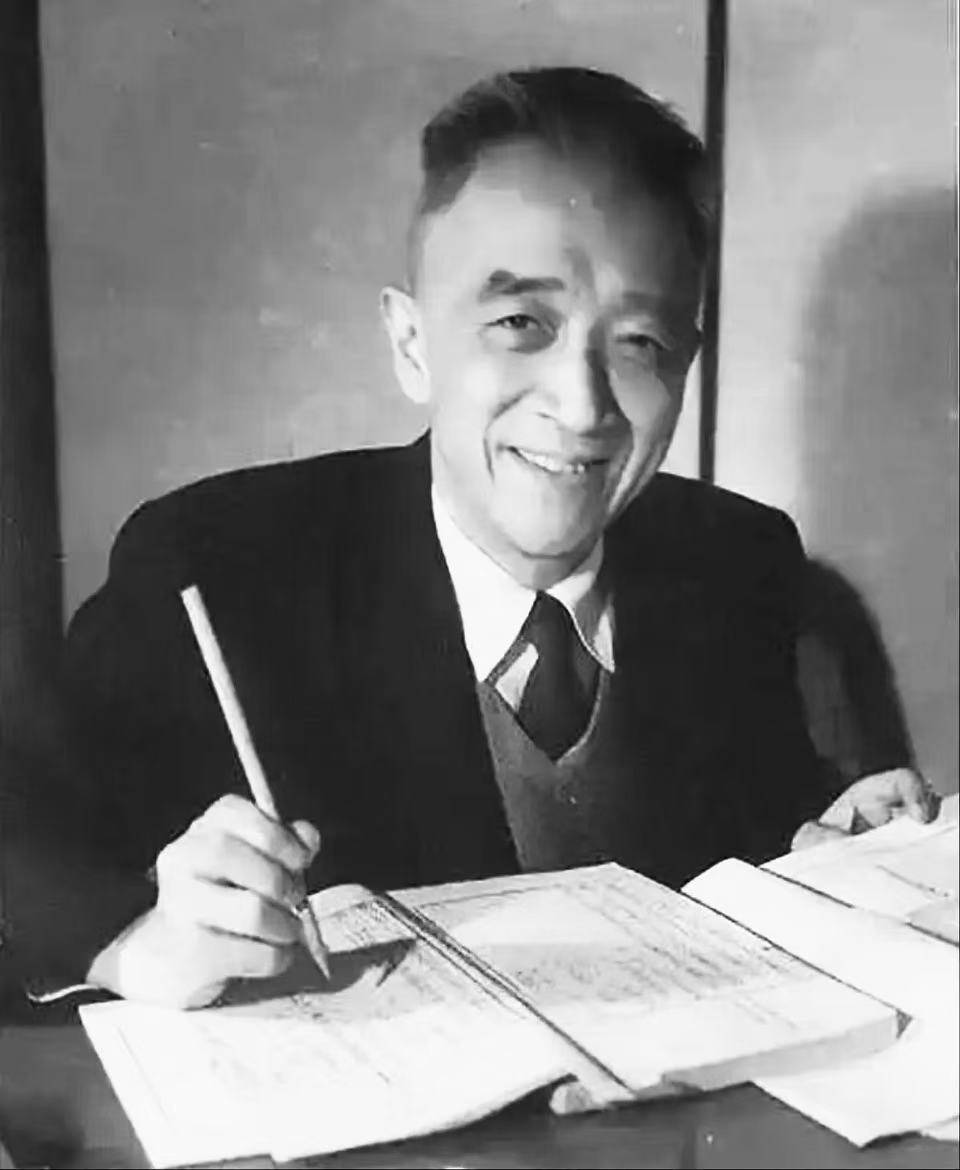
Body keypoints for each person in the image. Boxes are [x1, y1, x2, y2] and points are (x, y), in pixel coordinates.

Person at [48, 67, 935, 1008]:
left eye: (640, 343)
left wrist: (825, 847)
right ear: (412, 345)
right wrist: (133, 941)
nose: (581, 405)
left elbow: (752, 826)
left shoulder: (735, 558)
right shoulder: (220, 566)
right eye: (520, 322)